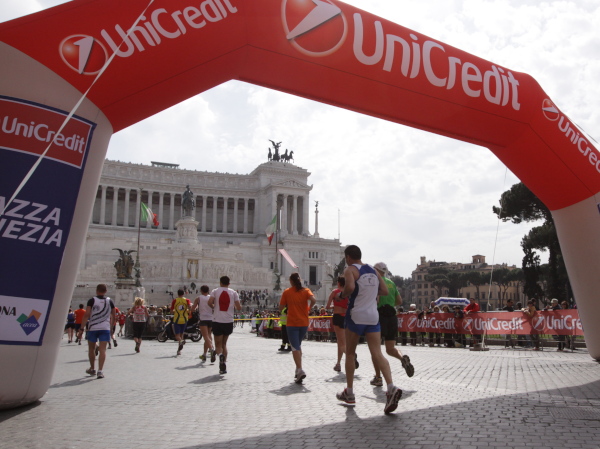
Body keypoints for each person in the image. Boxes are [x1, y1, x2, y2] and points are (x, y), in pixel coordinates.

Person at [336, 245, 403, 415]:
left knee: (350, 353)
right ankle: (391, 387)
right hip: (373, 316)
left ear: (348, 257)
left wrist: (341, 295)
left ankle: (350, 392)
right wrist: (370, 292)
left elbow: (350, 288)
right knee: (377, 353)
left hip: (356, 315)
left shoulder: (350, 270)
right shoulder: (373, 270)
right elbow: (384, 290)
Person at [370, 262, 414, 388]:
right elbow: (399, 301)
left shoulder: (376, 282)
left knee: (375, 350)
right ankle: (402, 358)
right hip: (392, 316)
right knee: (390, 348)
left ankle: (378, 377)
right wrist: (389, 304)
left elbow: (376, 299)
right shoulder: (391, 283)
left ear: (377, 270)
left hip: (380, 316)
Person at [279, 272, 316, 383]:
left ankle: (300, 370)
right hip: (304, 322)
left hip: (292, 323)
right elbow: (314, 300)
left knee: (295, 347)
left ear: (291, 281)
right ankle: (297, 369)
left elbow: (281, 307)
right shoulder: (306, 290)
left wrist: (286, 309)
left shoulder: (287, 292)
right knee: (298, 346)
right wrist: (308, 308)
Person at [76, 284, 116, 379]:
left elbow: (87, 314)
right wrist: (111, 328)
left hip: (93, 328)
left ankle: (92, 368)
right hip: (105, 328)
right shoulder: (110, 301)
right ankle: (100, 371)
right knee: (103, 350)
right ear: (106, 291)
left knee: (91, 349)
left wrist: (81, 328)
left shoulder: (92, 300)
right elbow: (114, 316)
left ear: (97, 290)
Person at [208, 276, 241, 374]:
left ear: (220, 283)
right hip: (228, 321)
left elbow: (209, 302)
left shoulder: (215, 291)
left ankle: (220, 355)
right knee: (224, 344)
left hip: (217, 320)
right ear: (229, 284)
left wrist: (214, 307)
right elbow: (239, 307)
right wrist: (233, 307)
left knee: (218, 345)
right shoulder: (234, 292)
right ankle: (223, 365)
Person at [325, 276, 349, 372]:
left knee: (341, 342)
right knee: (341, 342)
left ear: (338, 283)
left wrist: (334, 305)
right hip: (346, 317)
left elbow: (327, 306)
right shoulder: (348, 293)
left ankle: (351, 355)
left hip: (338, 316)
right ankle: (338, 363)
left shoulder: (334, 292)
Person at [191, 285, 216, 363]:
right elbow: (214, 306)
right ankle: (204, 355)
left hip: (203, 319)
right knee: (209, 335)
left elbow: (193, 309)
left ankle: (211, 349)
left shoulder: (198, 298)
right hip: (211, 318)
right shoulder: (211, 298)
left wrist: (192, 308)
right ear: (208, 290)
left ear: (201, 291)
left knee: (205, 337)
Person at [171, 289, 191, 356]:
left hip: (177, 319)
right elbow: (190, 307)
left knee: (177, 336)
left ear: (177, 293)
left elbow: (171, 310)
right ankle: (179, 350)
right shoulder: (187, 300)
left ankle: (181, 342)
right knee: (181, 335)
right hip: (184, 319)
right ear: (183, 293)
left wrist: (174, 311)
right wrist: (187, 311)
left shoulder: (175, 300)